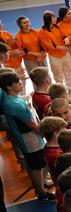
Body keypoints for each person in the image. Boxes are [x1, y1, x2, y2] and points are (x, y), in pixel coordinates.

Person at [0, 70, 54, 202]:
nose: (21, 83)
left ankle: (41, 185)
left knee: (38, 164)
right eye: (17, 82)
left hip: (28, 138)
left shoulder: (12, 98)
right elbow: (32, 125)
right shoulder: (15, 105)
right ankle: (41, 193)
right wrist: (46, 134)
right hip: (30, 141)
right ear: (9, 87)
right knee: (37, 166)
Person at [39, 11, 71, 91]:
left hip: (65, 54)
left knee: (68, 73)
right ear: (48, 19)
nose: (55, 19)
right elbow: (51, 46)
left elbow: (64, 35)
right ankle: (61, 92)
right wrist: (65, 48)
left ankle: (69, 90)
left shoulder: (57, 27)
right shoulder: (42, 31)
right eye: (53, 17)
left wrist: (67, 39)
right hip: (55, 57)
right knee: (58, 76)